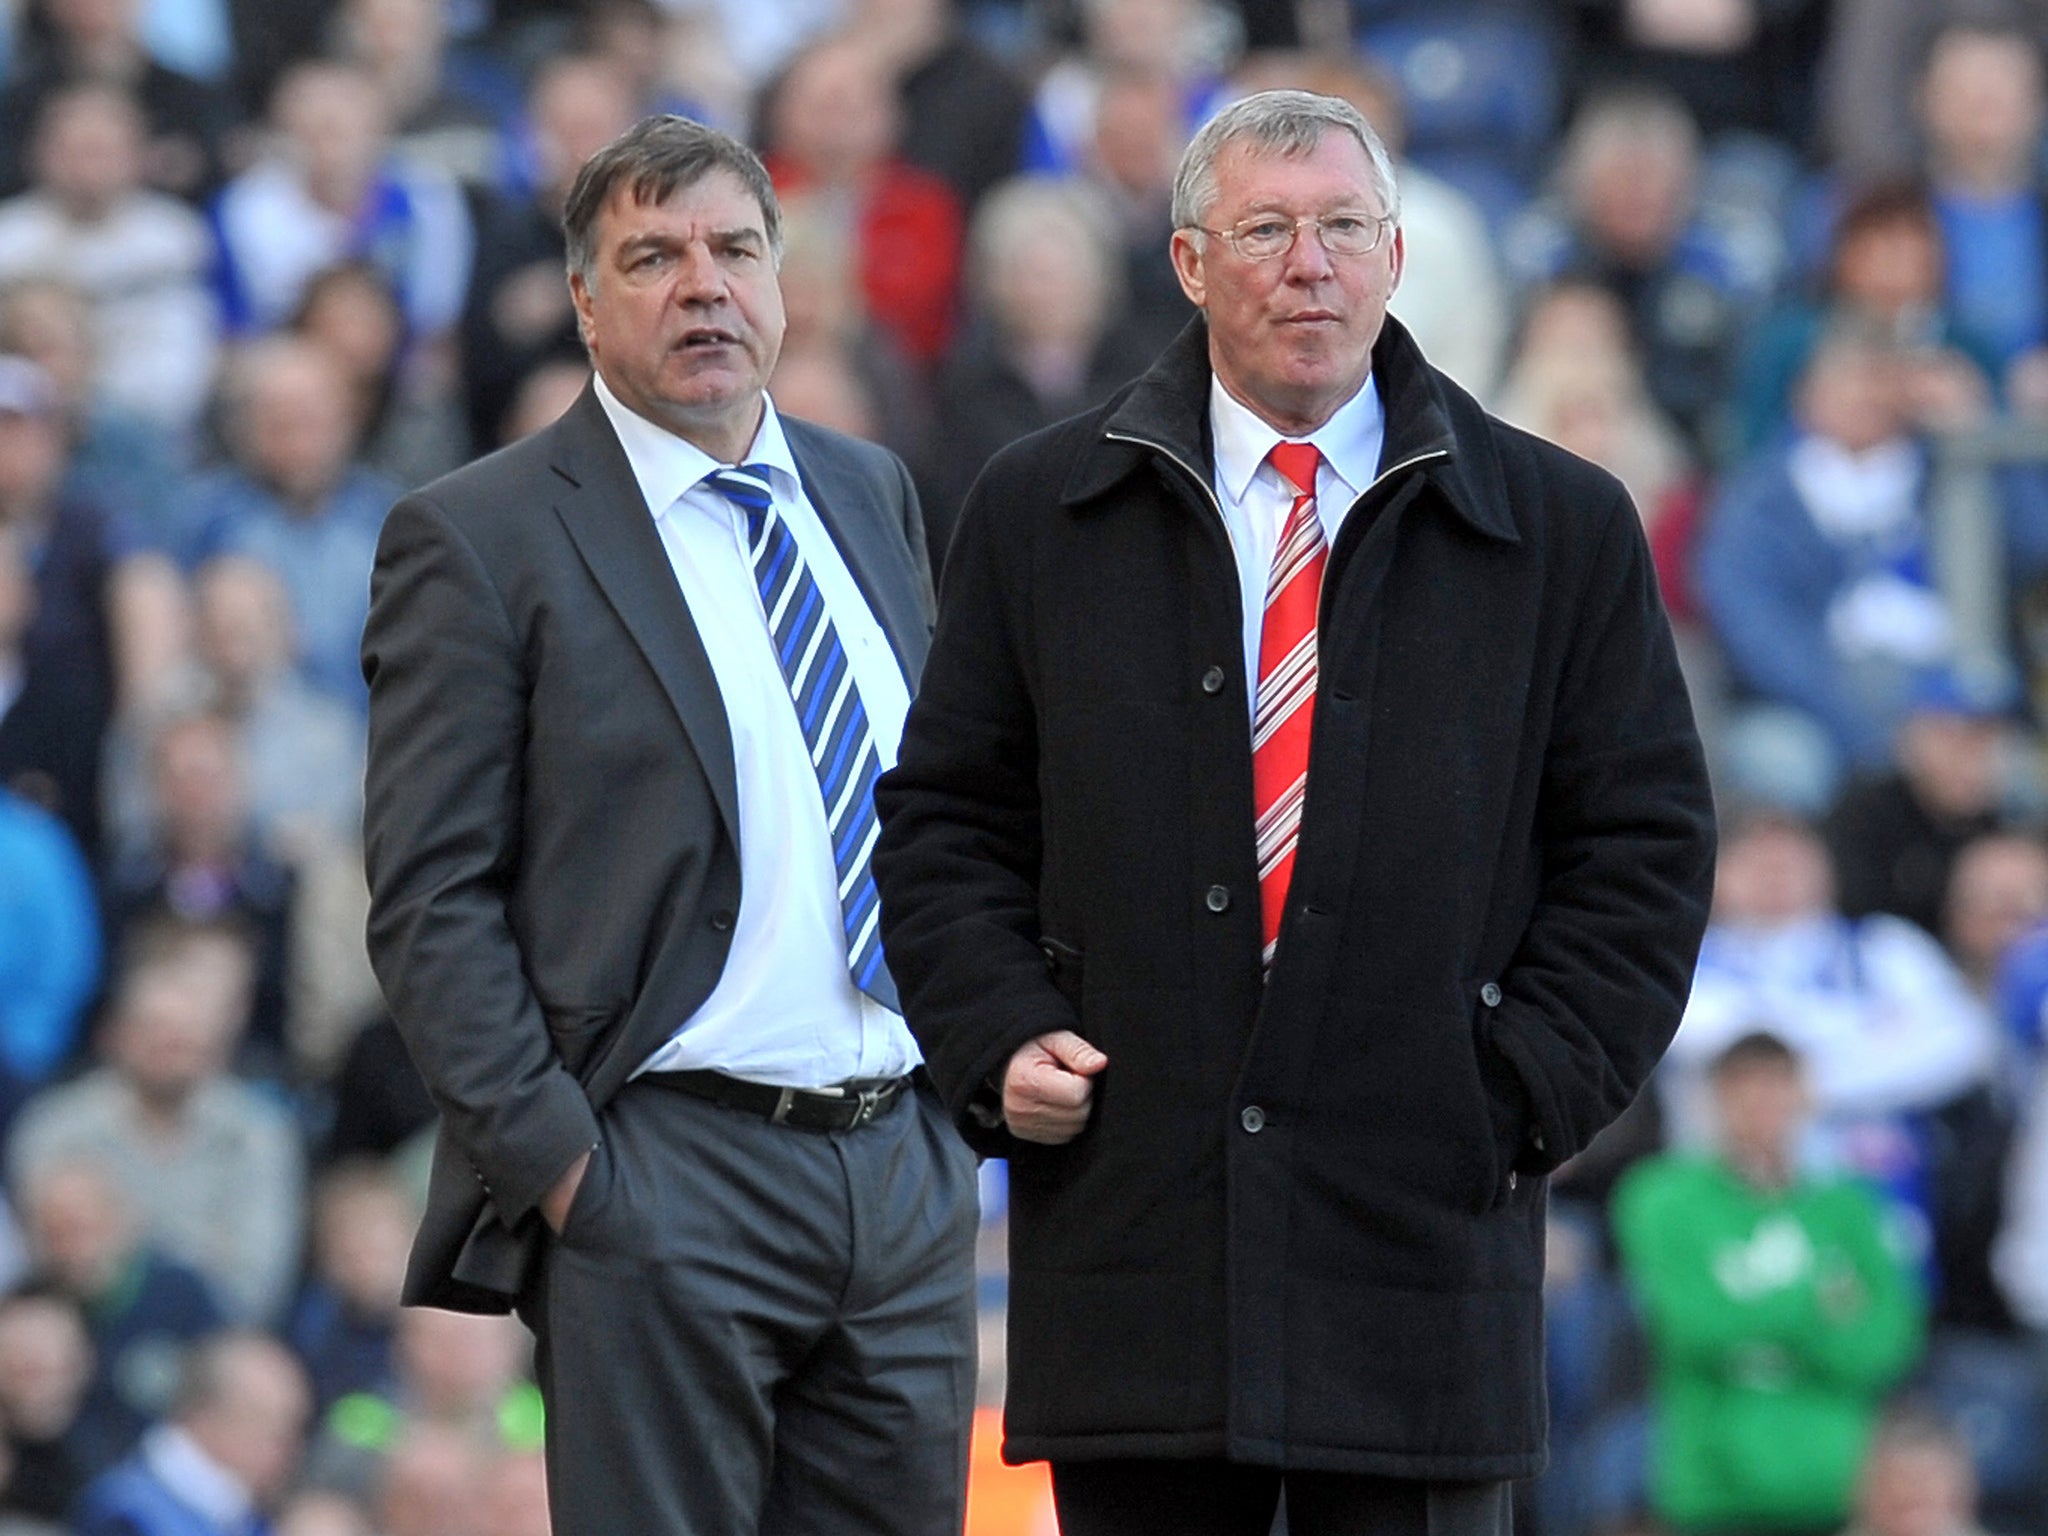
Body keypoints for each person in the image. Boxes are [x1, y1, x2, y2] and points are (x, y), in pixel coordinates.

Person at [872, 88, 1717, 1535]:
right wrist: (995, 1032)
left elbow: (1643, 847)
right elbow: (949, 821)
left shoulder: (1559, 525)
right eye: (1265, 230)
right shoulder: (1036, 508)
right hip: (1140, 1248)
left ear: (1395, 258)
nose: (1308, 265)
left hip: (1422, 1264)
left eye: (1341, 229)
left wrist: (1518, 1089)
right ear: (1192, 265)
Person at [359, 113, 977, 1535]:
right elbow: (427, 894)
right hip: (662, 1169)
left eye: (734, 250)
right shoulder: (480, 535)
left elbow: (941, 811)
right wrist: (570, 1171)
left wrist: (964, 1099)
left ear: (782, 281)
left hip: (902, 1167)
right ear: (585, 299)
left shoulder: (869, 490)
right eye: (653, 256)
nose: (704, 285)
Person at [1613, 1032, 1924, 1536]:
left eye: (1778, 1089)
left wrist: (1747, 1316)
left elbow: (1884, 1344)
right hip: (1712, 1489)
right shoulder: (1661, 1197)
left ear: (1806, 1097)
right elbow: (1688, 1328)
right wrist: (1818, 1307)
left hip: (1835, 1487)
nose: (1764, 1109)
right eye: (1746, 1091)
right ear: (1714, 1100)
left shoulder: (1851, 1205)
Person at [72, 1330, 311, 1536]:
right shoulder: (126, 1516)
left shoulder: (249, 1518)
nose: (289, 1453)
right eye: (274, 1433)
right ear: (208, 1417)